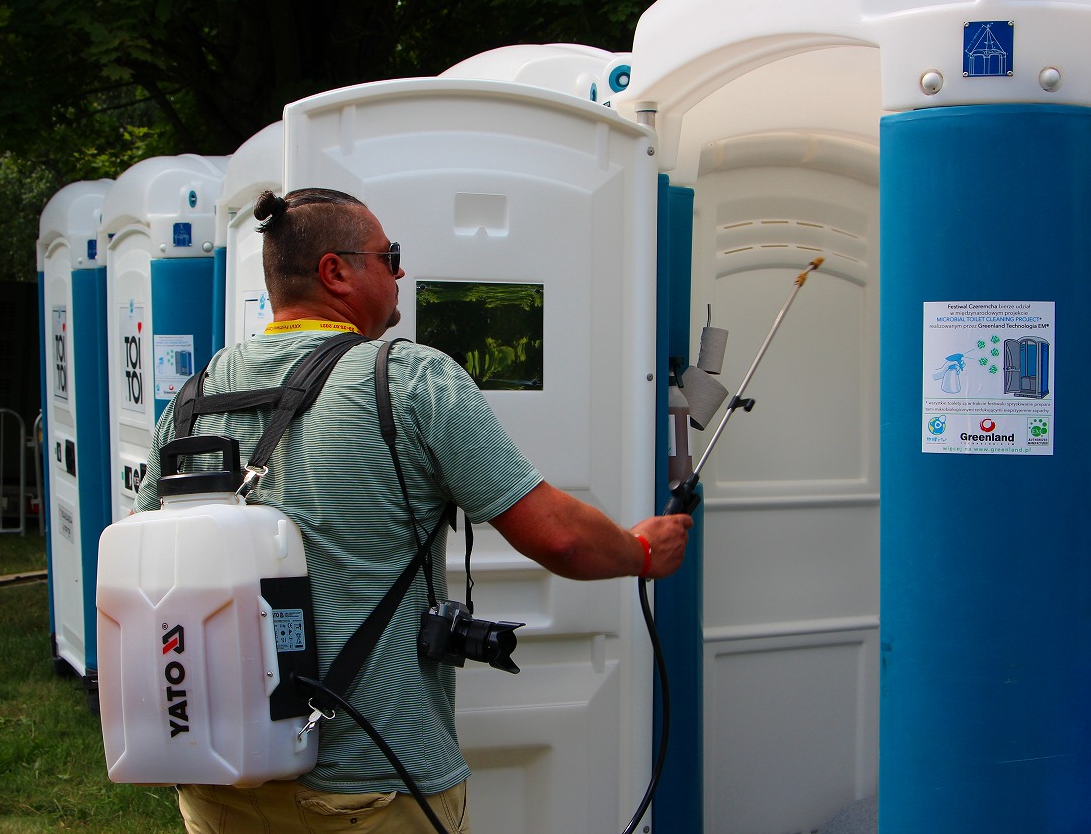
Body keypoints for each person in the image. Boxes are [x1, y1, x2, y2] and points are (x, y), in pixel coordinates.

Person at [132, 187, 692, 834]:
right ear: (334, 271)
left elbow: (145, 568)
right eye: (388, 255)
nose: (400, 273)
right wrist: (643, 550)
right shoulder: (409, 379)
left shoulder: (194, 398)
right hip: (371, 789)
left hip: (220, 784)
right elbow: (560, 537)